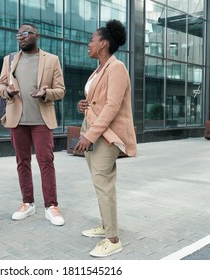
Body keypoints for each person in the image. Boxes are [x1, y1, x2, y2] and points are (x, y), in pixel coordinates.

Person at [74, 19, 137, 257]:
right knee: (100, 184)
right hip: (93, 130)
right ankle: (106, 225)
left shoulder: (117, 67)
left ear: (103, 44)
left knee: (104, 185)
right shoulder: (99, 69)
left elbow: (112, 106)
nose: (87, 44)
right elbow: (98, 102)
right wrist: (84, 106)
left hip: (106, 136)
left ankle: (112, 239)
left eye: (91, 39)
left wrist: (89, 136)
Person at [0, 23, 66, 226]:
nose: (20, 37)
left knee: (46, 162)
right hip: (17, 120)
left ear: (37, 35)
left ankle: (51, 206)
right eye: (18, 35)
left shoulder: (52, 60)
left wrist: (47, 93)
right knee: (22, 162)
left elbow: (61, 89)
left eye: (25, 34)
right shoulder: (9, 60)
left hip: (41, 120)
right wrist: (6, 92)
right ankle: (28, 202)